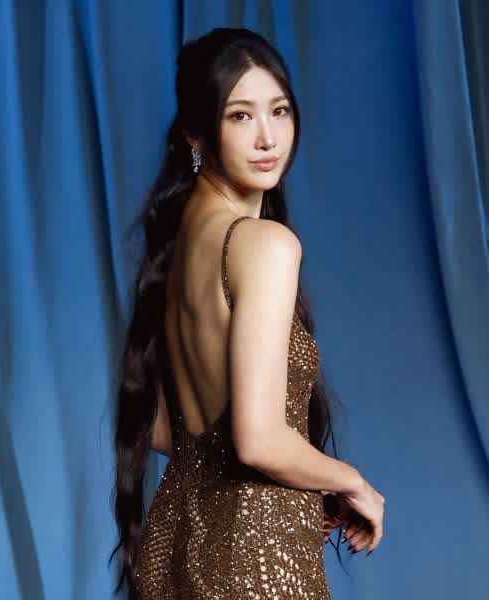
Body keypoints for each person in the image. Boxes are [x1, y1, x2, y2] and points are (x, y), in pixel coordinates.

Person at [110, 27, 385, 600]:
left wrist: (301, 477)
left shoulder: (173, 246)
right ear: (196, 133)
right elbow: (257, 441)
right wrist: (351, 482)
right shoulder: (264, 244)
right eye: (240, 116)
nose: (267, 137)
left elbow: (161, 428)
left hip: (172, 547)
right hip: (253, 560)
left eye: (279, 111)